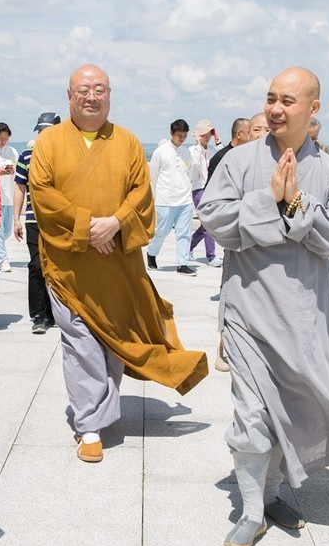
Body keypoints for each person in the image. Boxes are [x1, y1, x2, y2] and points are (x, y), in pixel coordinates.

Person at [198, 67, 329, 546]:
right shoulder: (238, 161)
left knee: (292, 410)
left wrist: (297, 202)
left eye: (288, 100)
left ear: (313, 109)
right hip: (248, 309)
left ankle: (274, 492)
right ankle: (252, 511)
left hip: (304, 316)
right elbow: (215, 219)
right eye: (271, 98)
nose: (277, 108)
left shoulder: (328, 173)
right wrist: (267, 200)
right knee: (251, 417)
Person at [29, 64, 208, 463]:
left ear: (109, 95)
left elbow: (140, 194)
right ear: (69, 95)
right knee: (79, 342)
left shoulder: (127, 141)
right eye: (83, 90)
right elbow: (42, 194)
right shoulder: (49, 142)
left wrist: (114, 225)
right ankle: (89, 423)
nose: (91, 96)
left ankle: (101, 407)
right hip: (68, 264)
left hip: (117, 262)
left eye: (99, 89)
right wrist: (87, 227)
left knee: (111, 339)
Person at [203, 117, 252, 373]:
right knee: (230, 296)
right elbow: (215, 205)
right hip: (238, 240)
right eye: (257, 129)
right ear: (244, 133)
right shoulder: (226, 158)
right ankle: (224, 347)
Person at [13, 113, 58, 334]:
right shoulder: (26, 156)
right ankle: (39, 314)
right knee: (37, 266)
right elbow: (20, 187)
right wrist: (15, 219)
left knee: (59, 267)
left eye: (47, 130)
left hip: (60, 222)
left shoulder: (66, 156)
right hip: (33, 220)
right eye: (40, 131)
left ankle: (57, 313)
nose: (43, 135)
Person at [146, 119, 197, 275]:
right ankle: (151, 253)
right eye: (179, 135)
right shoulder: (160, 152)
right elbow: (153, 176)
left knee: (184, 233)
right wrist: (155, 198)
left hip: (185, 200)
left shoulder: (186, 152)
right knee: (162, 231)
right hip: (165, 200)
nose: (181, 138)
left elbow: (189, 174)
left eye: (184, 135)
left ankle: (182, 263)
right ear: (171, 134)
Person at [188, 119, 220, 265]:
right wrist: (198, 145)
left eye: (209, 133)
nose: (208, 136)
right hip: (198, 189)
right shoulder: (193, 151)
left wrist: (219, 144)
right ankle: (211, 256)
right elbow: (194, 165)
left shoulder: (213, 150)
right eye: (205, 134)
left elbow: (224, 158)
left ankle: (188, 246)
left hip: (212, 189)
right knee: (210, 223)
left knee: (207, 224)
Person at [0, 122, 19, 272]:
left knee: (6, 231)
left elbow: (17, 171)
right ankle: (2, 259)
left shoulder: (12, 152)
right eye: (1, 138)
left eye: (6, 138)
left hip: (8, 195)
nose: (3, 141)